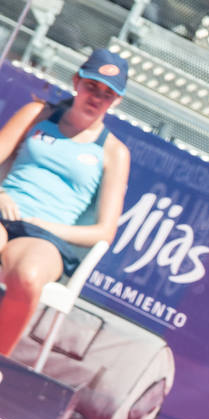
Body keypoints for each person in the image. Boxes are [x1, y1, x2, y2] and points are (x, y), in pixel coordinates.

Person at [0, 48, 130, 356]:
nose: (97, 98)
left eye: (108, 94)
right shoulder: (38, 114)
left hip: (46, 238)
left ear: (117, 102)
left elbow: (103, 232)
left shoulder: (115, 152)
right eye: (92, 86)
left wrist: (45, 225)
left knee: (29, 277)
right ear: (77, 81)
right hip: (3, 214)